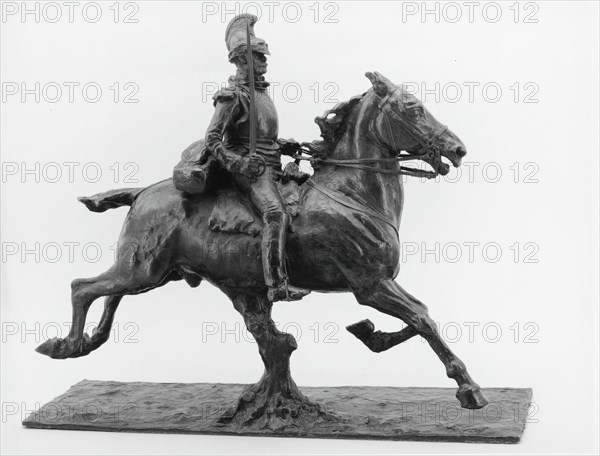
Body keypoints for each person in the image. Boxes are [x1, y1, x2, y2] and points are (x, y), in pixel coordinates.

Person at [205, 14, 310, 302]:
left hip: (272, 164)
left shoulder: (261, 93)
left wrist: (286, 145)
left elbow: (265, 136)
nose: (265, 62)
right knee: (275, 213)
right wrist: (239, 163)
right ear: (242, 60)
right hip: (249, 170)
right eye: (259, 57)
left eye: (264, 57)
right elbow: (213, 141)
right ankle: (276, 284)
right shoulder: (232, 97)